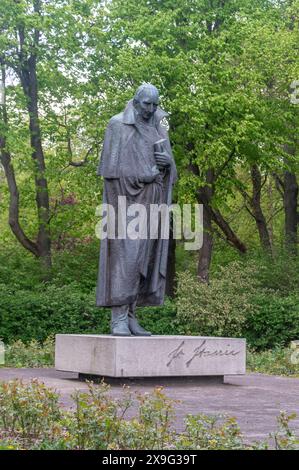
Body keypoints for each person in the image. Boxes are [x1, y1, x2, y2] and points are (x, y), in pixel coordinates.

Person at [96, 83, 177, 336]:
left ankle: (131, 316)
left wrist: (167, 164)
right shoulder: (117, 124)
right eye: (146, 104)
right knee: (126, 258)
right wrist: (144, 175)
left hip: (152, 202)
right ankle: (118, 318)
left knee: (144, 260)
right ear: (136, 101)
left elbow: (170, 171)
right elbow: (110, 171)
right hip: (125, 204)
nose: (150, 109)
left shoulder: (157, 128)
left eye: (155, 104)